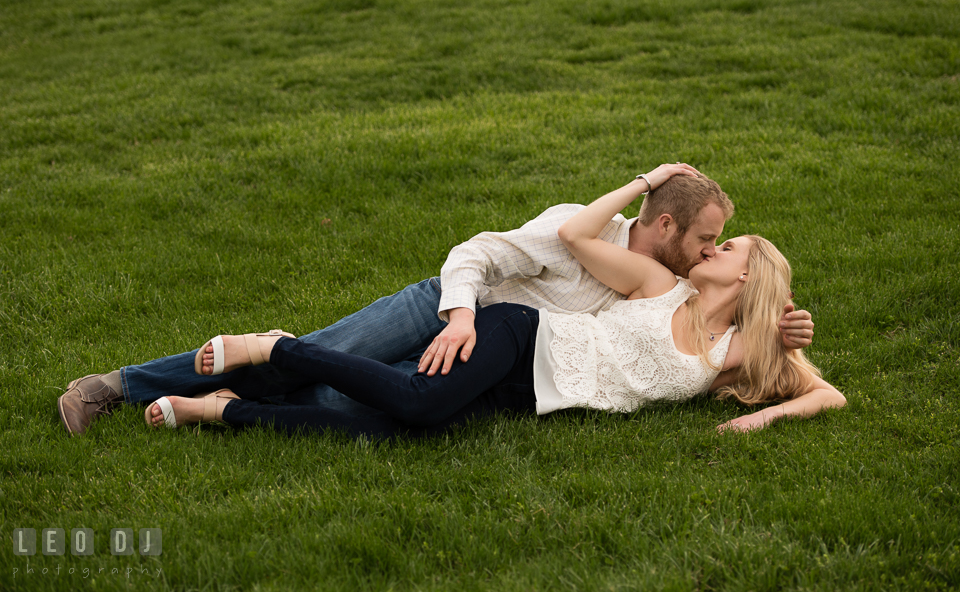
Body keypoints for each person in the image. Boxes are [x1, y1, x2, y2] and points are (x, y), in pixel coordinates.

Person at [58, 164, 816, 435]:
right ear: (663, 225)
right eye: (710, 237)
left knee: (346, 404)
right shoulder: (574, 233)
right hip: (447, 308)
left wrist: (784, 328)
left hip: (498, 356)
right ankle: (117, 386)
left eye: (726, 246)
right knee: (330, 357)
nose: (715, 251)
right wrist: (457, 315)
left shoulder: (680, 284)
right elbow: (476, 254)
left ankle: (220, 398)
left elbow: (725, 318)